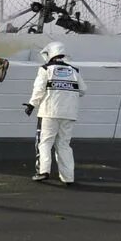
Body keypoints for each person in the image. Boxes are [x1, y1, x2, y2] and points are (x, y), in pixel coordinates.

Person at [25, 41, 86, 185]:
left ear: (50, 53)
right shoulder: (74, 70)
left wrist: (31, 105)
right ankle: (68, 177)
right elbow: (83, 90)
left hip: (49, 112)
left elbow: (39, 89)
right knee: (64, 144)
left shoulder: (45, 69)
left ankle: (43, 172)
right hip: (69, 114)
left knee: (45, 143)